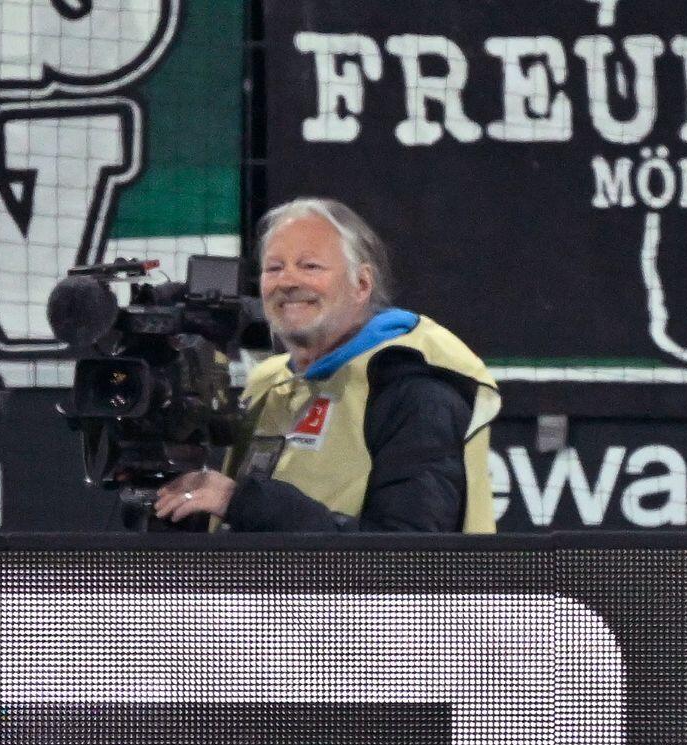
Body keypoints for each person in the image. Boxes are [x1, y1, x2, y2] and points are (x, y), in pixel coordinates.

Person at [153, 197, 499, 531]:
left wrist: (240, 501)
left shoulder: (413, 387)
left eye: (310, 266)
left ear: (361, 284)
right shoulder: (268, 384)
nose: (287, 282)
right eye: (274, 268)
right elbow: (238, 522)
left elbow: (409, 554)